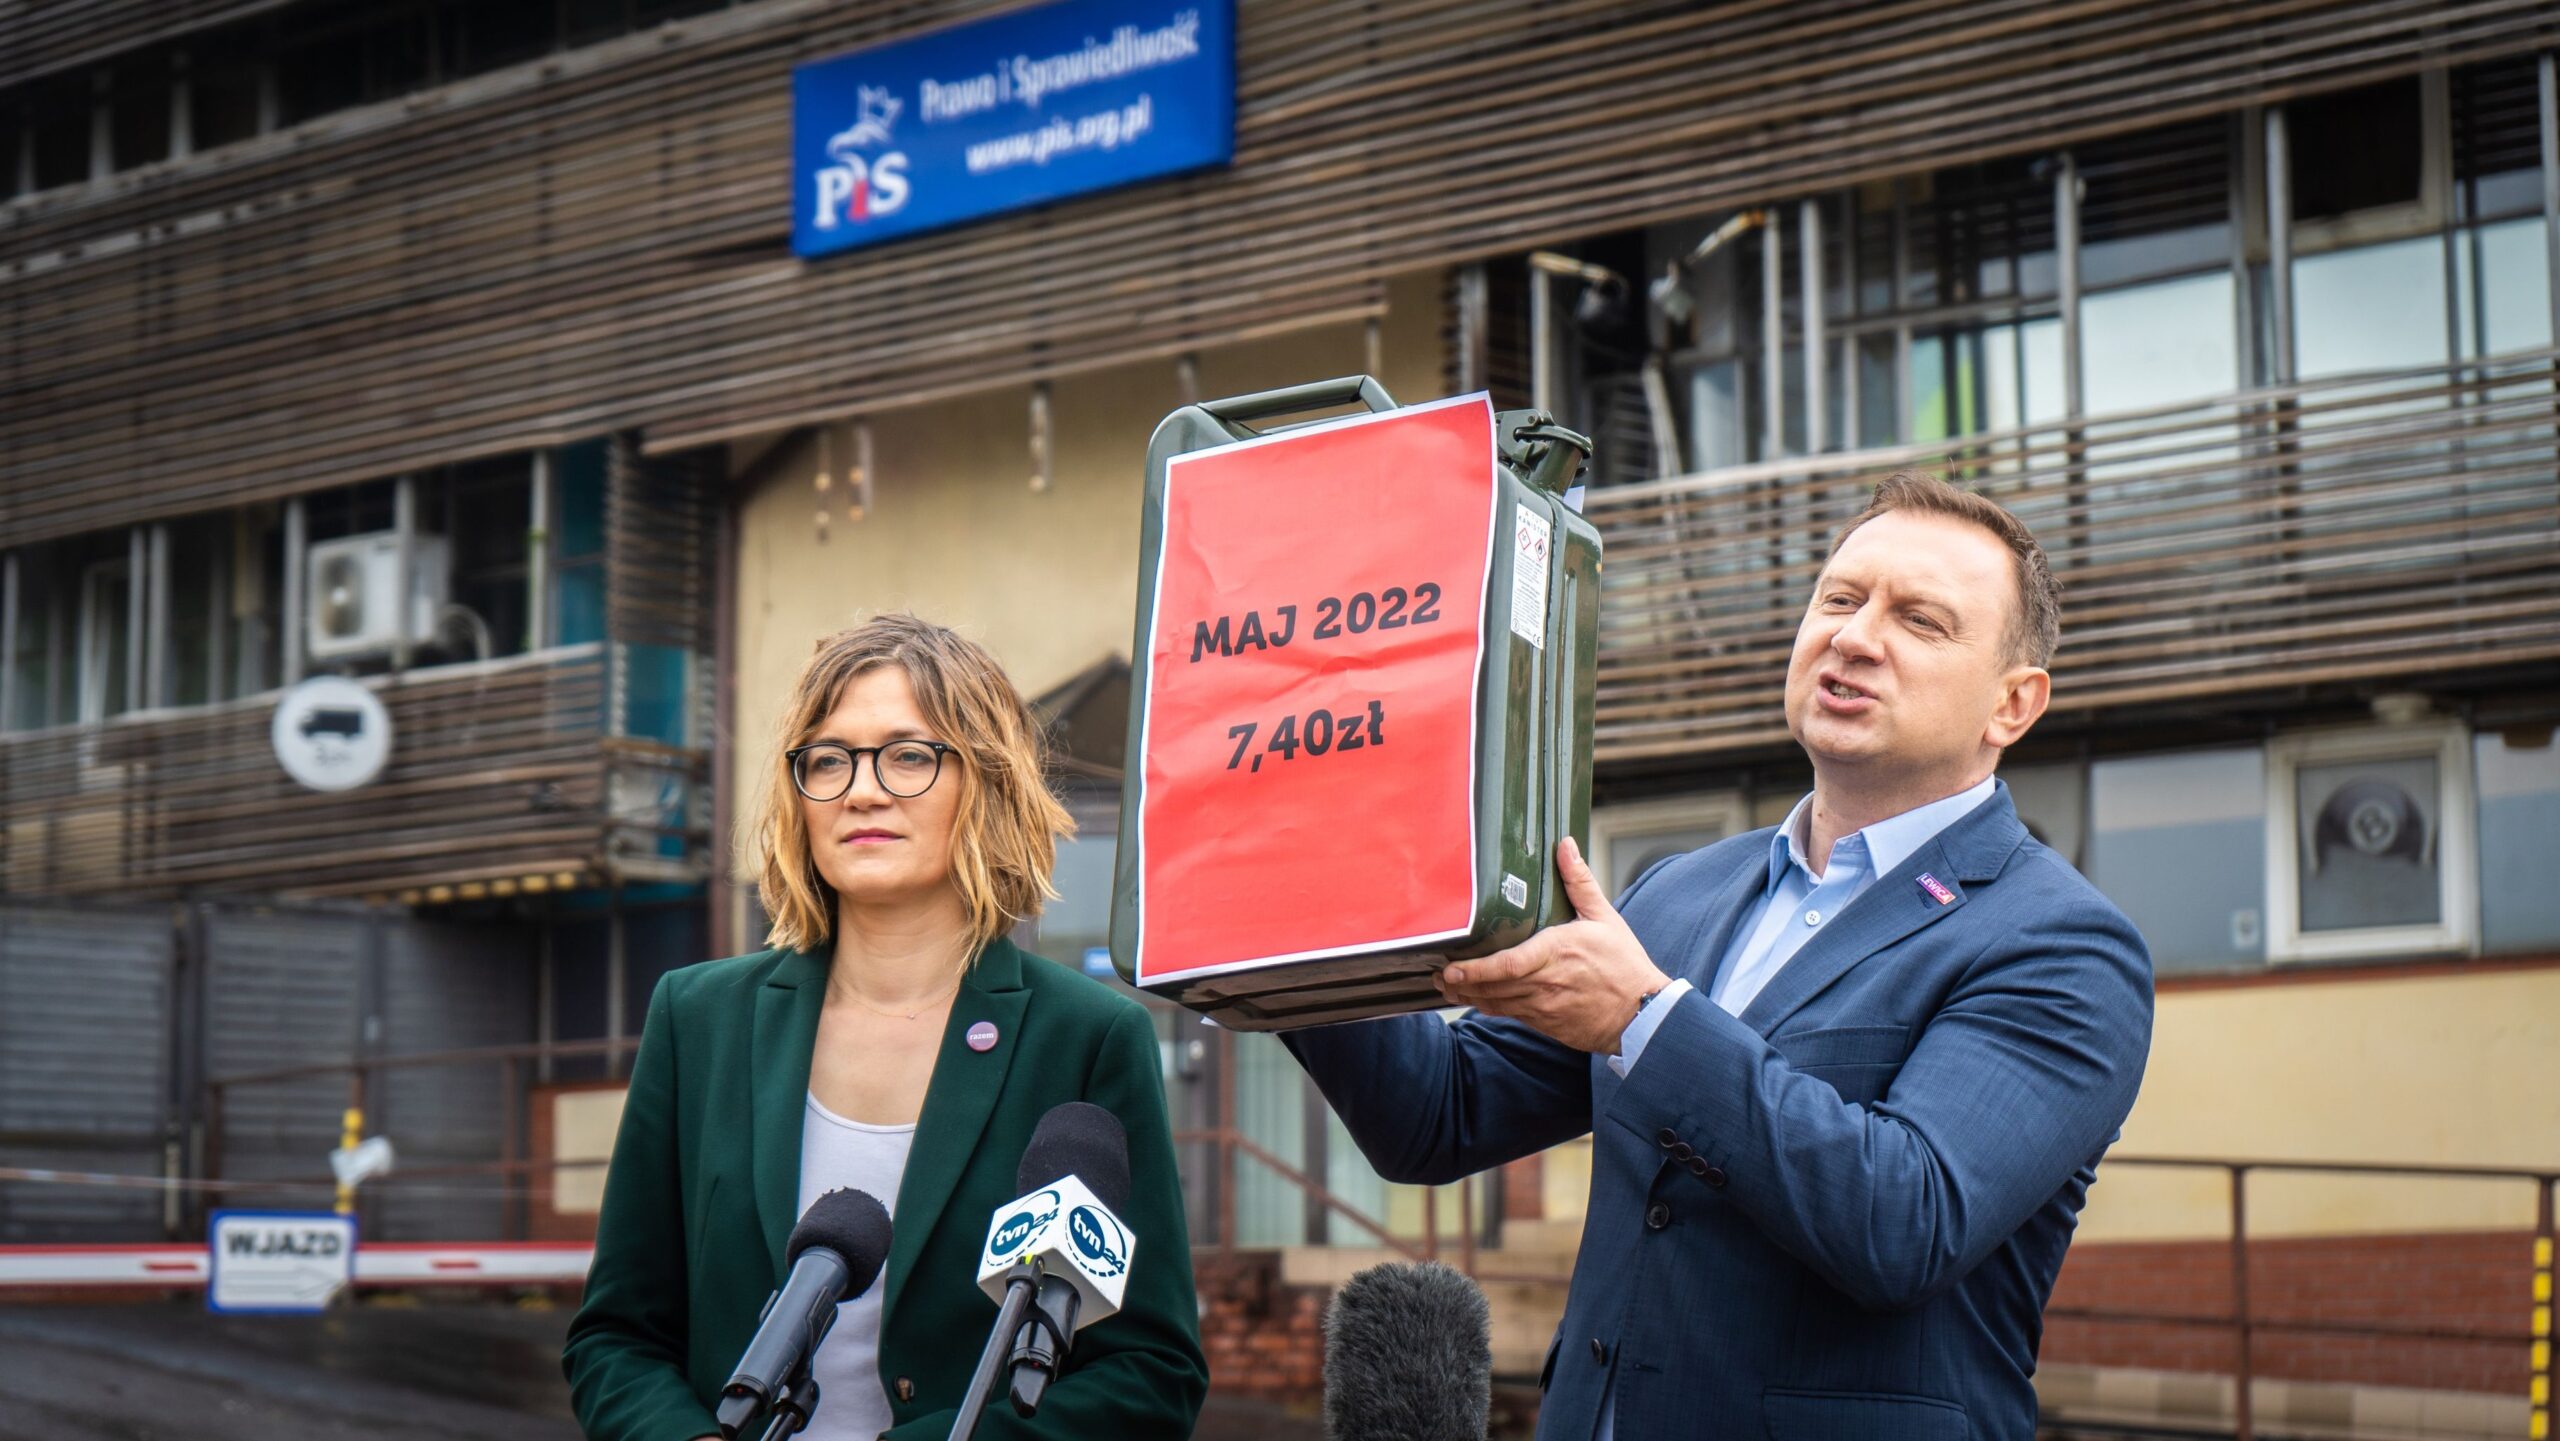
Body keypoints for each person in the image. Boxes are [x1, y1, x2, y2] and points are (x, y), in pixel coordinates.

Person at [1287, 471, 2154, 1440]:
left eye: (1919, 620)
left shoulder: (2061, 944)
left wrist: (1644, 1021)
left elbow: (1904, 1221)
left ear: (2013, 705)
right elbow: (1435, 1113)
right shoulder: (1679, 892)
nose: (1854, 635)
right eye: (1838, 597)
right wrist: (1294, 906)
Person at [564, 614, 1206, 1441]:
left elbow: (1148, 1373)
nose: (862, 789)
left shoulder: (1084, 1036)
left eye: (908, 755)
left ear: (985, 782)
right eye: (828, 760)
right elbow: (616, 1337)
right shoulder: (696, 1018)